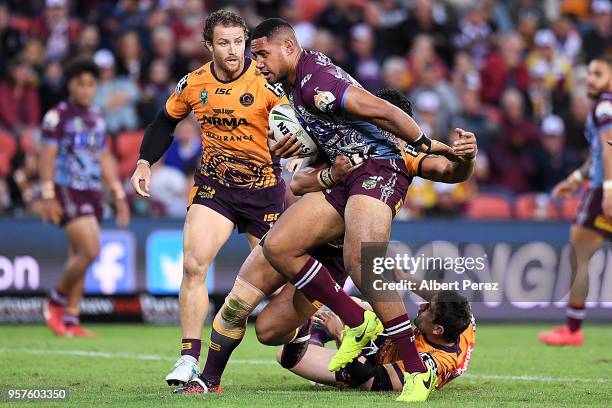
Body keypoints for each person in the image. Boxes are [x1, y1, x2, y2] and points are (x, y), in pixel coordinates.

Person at [175, 88, 475, 402]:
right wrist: (331, 173)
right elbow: (297, 184)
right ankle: (208, 380)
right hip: (299, 233)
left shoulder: (403, 154)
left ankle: (307, 329)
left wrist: (467, 158)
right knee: (236, 304)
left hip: (330, 261)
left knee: (268, 332)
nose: (386, 130)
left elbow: (451, 171)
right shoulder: (337, 138)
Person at [250, 18, 465, 402]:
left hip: (378, 166)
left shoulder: (318, 84)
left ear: (287, 47)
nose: (259, 63)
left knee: (362, 260)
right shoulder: (295, 86)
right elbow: (298, 181)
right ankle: (357, 319)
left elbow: (381, 110)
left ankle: (416, 373)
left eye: (262, 54)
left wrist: (425, 143)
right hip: (347, 171)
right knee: (279, 246)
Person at [129, 10, 291, 386]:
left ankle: (305, 343)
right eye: (224, 43)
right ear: (209, 45)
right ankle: (187, 358)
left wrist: (293, 147)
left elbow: (292, 127)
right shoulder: (194, 83)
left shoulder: (268, 82)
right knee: (193, 266)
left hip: (264, 192)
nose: (233, 51)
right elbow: (164, 122)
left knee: (285, 285)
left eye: (238, 42)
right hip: (214, 189)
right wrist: (143, 162)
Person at [40, 58, 130, 338]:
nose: (87, 90)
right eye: (82, 84)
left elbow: (104, 157)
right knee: (91, 250)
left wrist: (117, 192)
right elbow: (47, 155)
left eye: (91, 85)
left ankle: (70, 318)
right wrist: (47, 193)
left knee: (78, 255)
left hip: (91, 190)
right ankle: (55, 302)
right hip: (67, 189)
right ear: (71, 85)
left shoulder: (97, 116)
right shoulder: (58, 115)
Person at [538, 55, 612, 346]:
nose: (590, 79)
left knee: (579, 256)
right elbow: (597, 154)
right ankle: (572, 327)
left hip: (601, 192)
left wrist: (607, 189)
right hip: (598, 185)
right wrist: (574, 179)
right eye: (589, 74)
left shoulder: (604, 107)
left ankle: (572, 328)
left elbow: (608, 150)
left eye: (598, 74)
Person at [281, 290, 475, 396]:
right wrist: (405, 278)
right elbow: (438, 296)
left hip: (374, 367)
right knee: (358, 305)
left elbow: (371, 382)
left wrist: (340, 335)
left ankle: (317, 338)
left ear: (438, 330)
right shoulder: (463, 321)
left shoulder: (430, 364)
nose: (421, 306)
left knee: (287, 355)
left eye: (427, 310)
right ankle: (317, 333)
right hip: (390, 343)